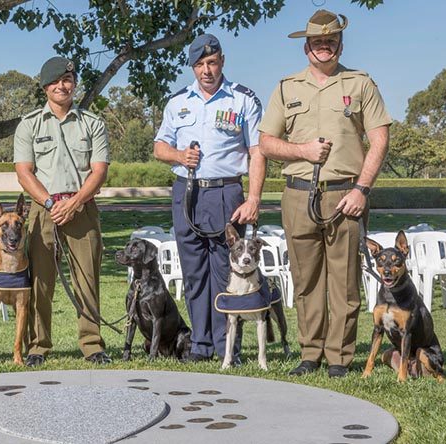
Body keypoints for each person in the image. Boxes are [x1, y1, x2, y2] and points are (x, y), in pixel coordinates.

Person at [258, 10, 391, 378]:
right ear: (307, 47)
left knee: (345, 282)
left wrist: (363, 189)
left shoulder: (360, 83)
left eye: (330, 41)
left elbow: (380, 138)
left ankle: (339, 358)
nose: (324, 46)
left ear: (340, 45)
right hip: (298, 194)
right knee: (306, 281)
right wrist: (302, 151)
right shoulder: (287, 87)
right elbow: (266, 142)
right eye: (318, 41)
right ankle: (310, 352)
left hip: (345, 195)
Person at [153, 34, 266, 363]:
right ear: (192, 66)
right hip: (187, 192)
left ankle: (225, 345)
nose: (206, 70)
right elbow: (160, 147)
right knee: (193, 271)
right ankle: (200, 345)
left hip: (226, 191)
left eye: (212, 62)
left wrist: (255, 197)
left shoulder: (242, 100)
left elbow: (257, 152)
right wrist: (178, 155)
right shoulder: (178, 102)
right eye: (200, 64)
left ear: (222, 62)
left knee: (227, 270)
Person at [13, 56, 111, 367]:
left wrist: (77, 201)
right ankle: (38, 346)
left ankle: (92, 344)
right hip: (45, 209)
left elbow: (99, 171)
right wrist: (52, 203)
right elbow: (24, 172)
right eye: (55, 81)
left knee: (87, 278)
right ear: (45, 86)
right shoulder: (29, 124)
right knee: (41, 281)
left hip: (81, 207)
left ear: (74, 83)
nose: (62, 85)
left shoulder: (92, 123)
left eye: (67, 80)